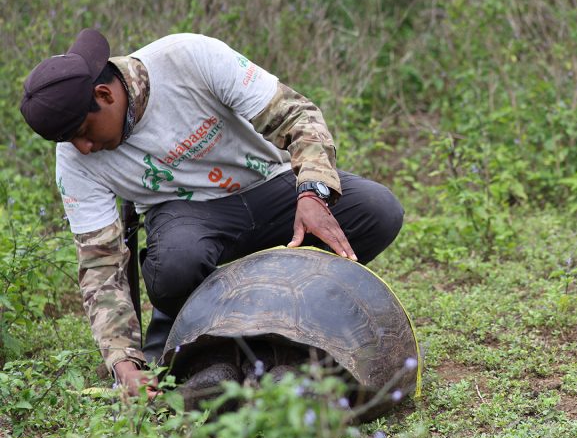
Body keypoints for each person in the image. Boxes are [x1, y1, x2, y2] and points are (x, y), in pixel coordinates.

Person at [20, 30, 404, 397]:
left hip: (272, 184)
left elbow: (297, 116)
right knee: (175, 265)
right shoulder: (73, 160)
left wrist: (313, 192)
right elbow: (100, 266)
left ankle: (299, 322)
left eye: (84, 132)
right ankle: (216, 349)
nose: (83, 148)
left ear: (104, 94)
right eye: (69, 141)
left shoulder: (188, 58)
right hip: (188, 217)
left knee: (378, 211)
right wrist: (124, 364)